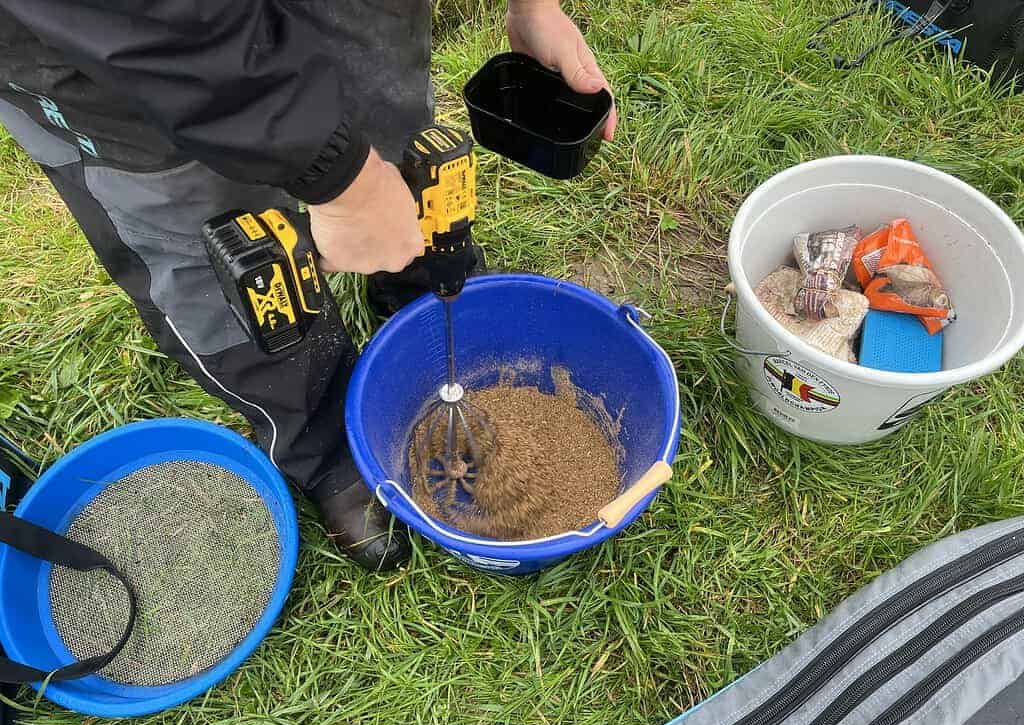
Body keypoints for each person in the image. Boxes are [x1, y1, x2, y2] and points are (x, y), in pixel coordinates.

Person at [0, 1, 616, 571]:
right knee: (214, 254)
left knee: (384, 115)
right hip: (115, 47)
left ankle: (416, 288)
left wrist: (533, 5)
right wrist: (340, 179)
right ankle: (323, 438)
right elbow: (147, 20)